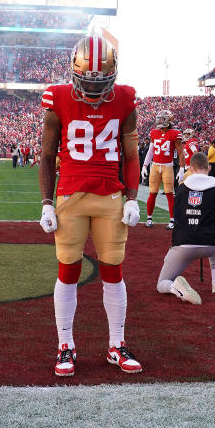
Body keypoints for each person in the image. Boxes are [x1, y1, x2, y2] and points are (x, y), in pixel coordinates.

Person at [38, 35, 142, 377]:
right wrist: (46, 203)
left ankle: (117, 344)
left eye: (100, 83)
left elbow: (130, 155)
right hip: (70, 195)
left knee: (113, 272)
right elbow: (48, 155)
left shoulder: (125, 99)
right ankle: (65, 345)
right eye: (86, 81)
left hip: (111, 195)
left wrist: (132, 197)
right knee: (68, 271)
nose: (93, 91)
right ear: (73, 73)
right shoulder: (58, 97)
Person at [156, 152, 215, 304]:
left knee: (162, 283)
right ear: (209, 167)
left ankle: (175, 287)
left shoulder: (181, 189)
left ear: (190, 168)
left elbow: (177, 216)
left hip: (184, 243)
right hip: (210, 245)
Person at [142, 110, 183, 229]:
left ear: (168, 121)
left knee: (169, 194)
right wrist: (145, 165)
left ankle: (172, 220)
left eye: (162, 119)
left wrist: (181, 168)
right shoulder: (154, 132)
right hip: (155, 165)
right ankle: (149, 219)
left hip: (167, 166)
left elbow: (180, 153)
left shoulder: (175, 133)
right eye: (159, 118)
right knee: (152, 193)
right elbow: (151, 151)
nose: (159, 121)